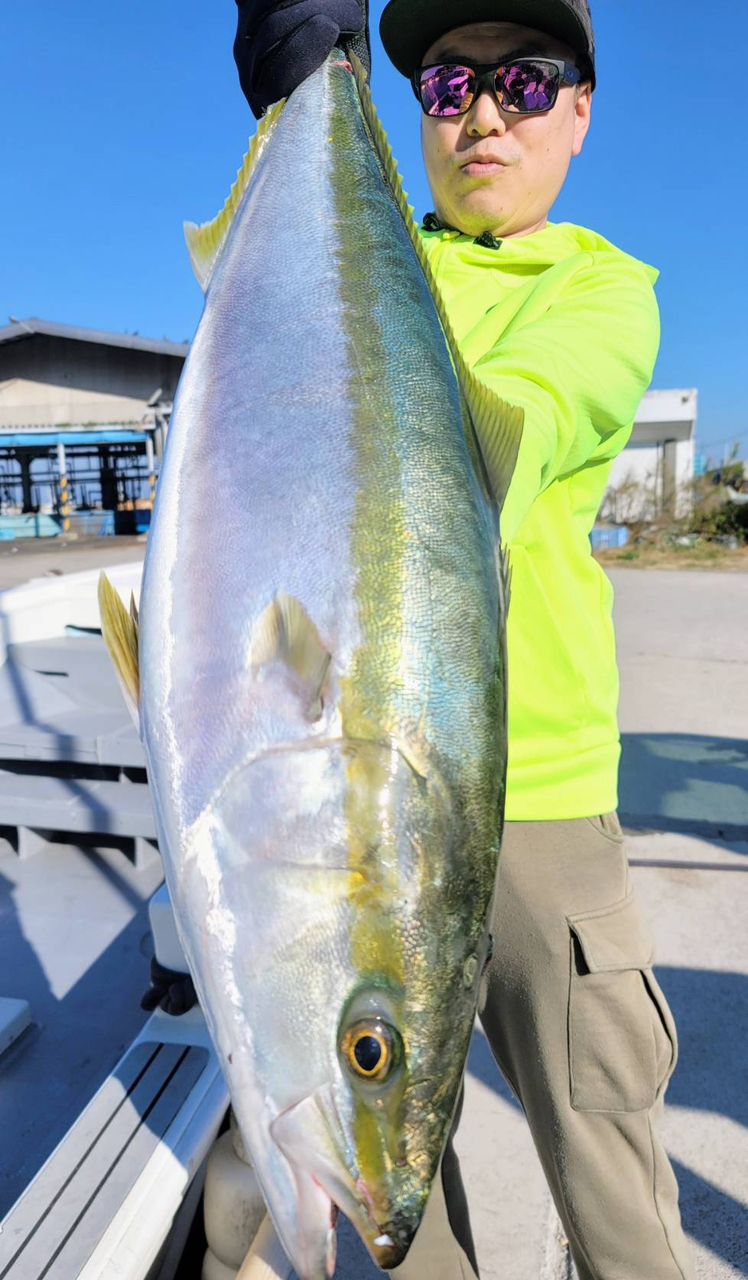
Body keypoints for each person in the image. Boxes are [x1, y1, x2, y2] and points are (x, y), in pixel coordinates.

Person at [233, 3, 695, 1277]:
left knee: (611, 1183)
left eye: (527, 82)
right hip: (351, 802)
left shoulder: (604, 292)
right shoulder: (366, 243)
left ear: (582, 108)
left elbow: (509, 429)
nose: (485, 112)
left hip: (539, 802)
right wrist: (295, 108)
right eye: (447, 84)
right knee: (379, 1168)